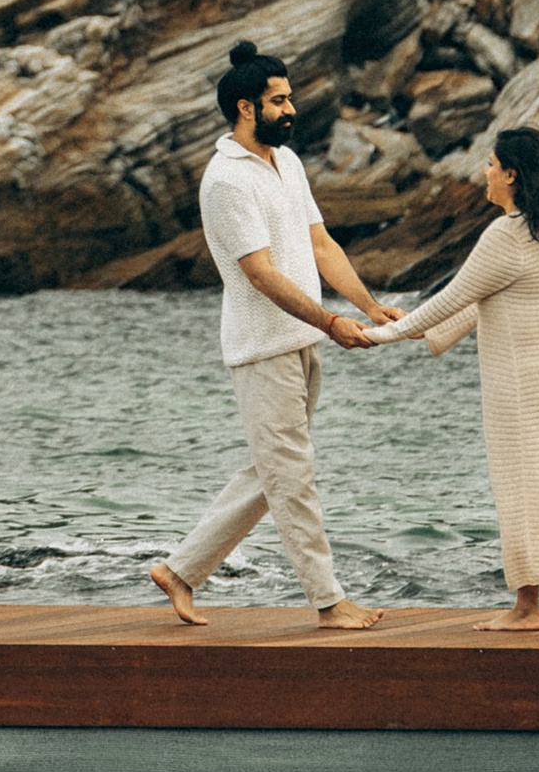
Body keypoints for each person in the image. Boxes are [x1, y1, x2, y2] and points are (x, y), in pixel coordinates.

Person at [148, 38, 403, 634]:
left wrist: (366, 305)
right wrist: (331, 322)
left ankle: (180, 571)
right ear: (246, 108)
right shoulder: (225, 181)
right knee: (292, 477)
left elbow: (320, 243)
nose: (291, 110)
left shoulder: (286, 162)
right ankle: (328, 601)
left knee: (275, 471)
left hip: (301, 341)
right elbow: (259, 274)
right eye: (280, 100)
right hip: (263, 348)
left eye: (289, 98)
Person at [378, 123, 539, 629]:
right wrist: (420, 332)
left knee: (519, 488)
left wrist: (378, 335)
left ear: (512, 175)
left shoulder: (506, 234)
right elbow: (484, 302)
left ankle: (532, 604)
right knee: (535, 482)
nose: (485, 172)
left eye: (492, 164)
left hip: (521, 380)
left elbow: (452, 297)